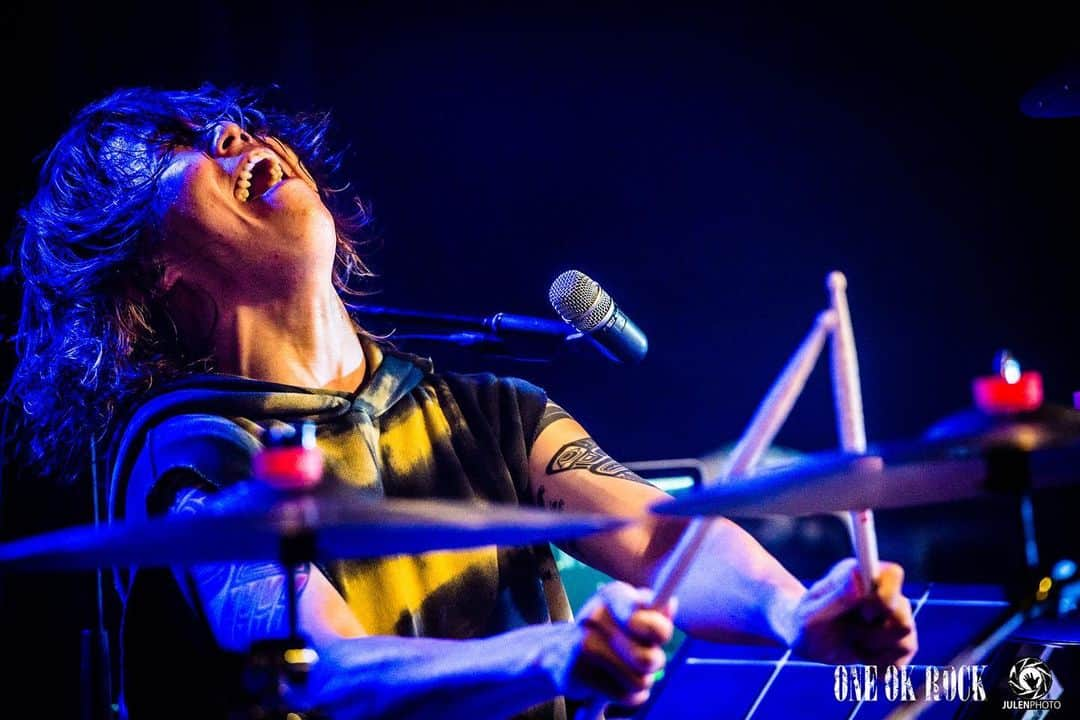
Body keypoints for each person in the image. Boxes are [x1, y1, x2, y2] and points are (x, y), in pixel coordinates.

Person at [9, 84, 917, 719]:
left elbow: (665, 536)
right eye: (181, 148)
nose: (233, 139)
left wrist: (795, 613)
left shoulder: (484, 410)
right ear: (147, 271)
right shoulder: (197, 454)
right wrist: (551, 657)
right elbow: (325, 667)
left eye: (231, 126)